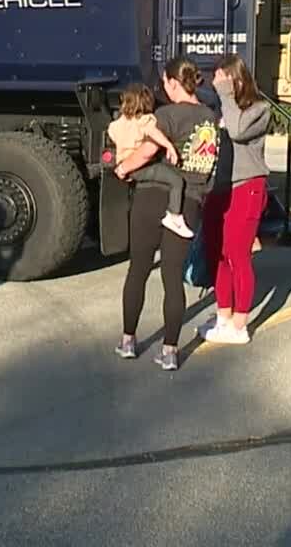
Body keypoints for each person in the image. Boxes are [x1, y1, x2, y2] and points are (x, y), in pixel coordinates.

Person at [114, 56, 221, 370]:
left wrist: (122, 167)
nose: (163, 88)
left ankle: (128, 341)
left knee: (139, 270)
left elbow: (147, 151)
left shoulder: (165, 114)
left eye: (165, 83)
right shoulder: (209, 118)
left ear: (174, 83)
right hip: (189, 202)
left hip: (151, 199)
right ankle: (170, 351)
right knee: (173, 278)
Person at [198, 54, 271, 345]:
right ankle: (223, 316)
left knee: (238, 255)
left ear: (238, 79)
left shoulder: (260, 109)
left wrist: (227, 95)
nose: (219, 85)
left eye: (224, 79)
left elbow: (239, 131)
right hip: (219, 188)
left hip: (247, 186)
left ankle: (240, 324)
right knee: (218, 254)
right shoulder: (219, 110)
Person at [108, 82, 192, 238]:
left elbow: (112, 134)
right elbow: (154, 133)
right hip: (139, 167)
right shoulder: (145, 120)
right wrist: (169, 146)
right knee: (176, 181)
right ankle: (174, 216)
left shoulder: (117, 124)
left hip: (124, 164)